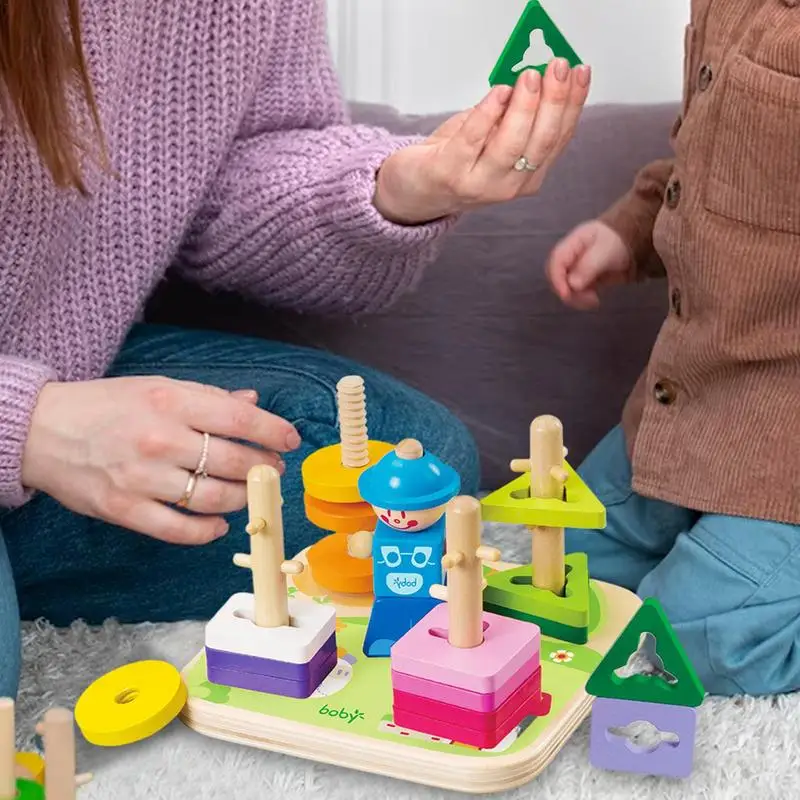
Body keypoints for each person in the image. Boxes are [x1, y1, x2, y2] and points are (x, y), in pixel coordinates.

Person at [0, 0, 591, 697]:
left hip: (65, 358)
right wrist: (28, 429)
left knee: (407, 469)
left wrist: (397, 190)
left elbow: (227, 175)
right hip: (26, 409)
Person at [546, 4, 800, 697]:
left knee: (686, 639)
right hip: (690, 393)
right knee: (570, 565)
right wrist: (630, 233)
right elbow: (710, 155)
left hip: (786, 435)